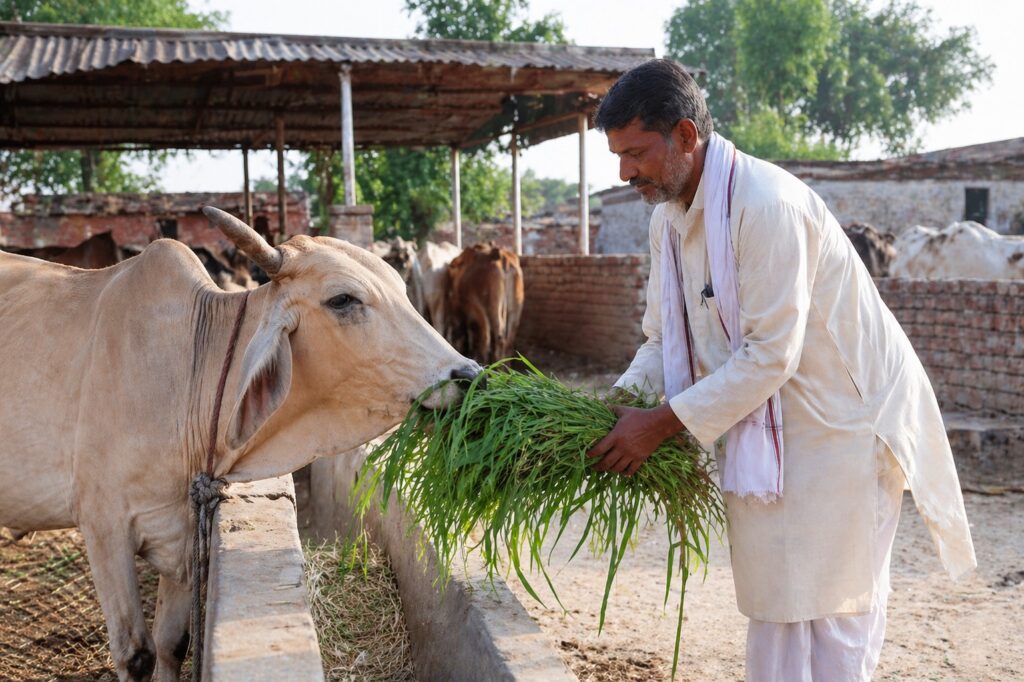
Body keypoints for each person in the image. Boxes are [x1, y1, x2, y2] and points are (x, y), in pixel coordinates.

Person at [586, 59, 976, 681]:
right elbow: (663, 338)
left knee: (833, 606)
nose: (624, 172)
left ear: (686, 136)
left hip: (844, 423)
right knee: (778, 598)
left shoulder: (764, 205)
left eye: (636, 152)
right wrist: (613, 408)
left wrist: (658, 425)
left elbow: (771, 352)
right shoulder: (668, 220)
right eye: (618, 156)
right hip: (769, 423)